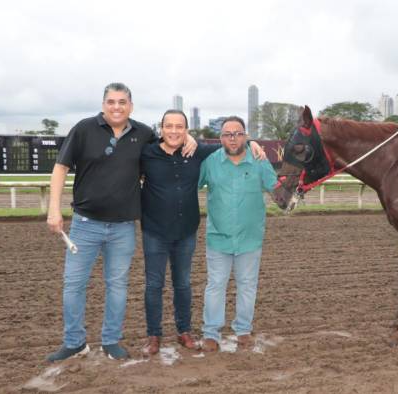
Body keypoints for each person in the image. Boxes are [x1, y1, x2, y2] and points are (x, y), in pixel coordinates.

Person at [45, 83, 197, 362]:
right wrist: (53, 210)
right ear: (104, 104)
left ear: (131, 106)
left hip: (123, 227)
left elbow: (169, 143)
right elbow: (60, 168)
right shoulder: (83, 129)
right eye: (112, 102)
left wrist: (191, 139)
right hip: (85, 223)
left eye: (122, 102)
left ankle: (111, 341)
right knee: (73, 285)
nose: (117, 107)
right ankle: (74, 342)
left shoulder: (144, 134)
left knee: (117, 286)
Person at [139, 110, 266, 356]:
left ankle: (184, 331)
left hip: (186, 231)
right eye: (169, 126)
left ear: (187, 130)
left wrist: (253, 143)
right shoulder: (147, 154)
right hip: (154, 231)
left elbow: (232, 142)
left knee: (183, 284)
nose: (174, 131)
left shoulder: (198, 151)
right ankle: (153, 335)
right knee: (154, 285)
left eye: (179, 127)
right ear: (161, 129)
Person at [198, 116, 277, 352]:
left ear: (246, 135)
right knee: (215, 285)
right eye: (227, 134)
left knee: (247, 286)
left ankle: (243, 331)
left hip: (250, 239)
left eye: (238, 133)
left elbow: (276, 189)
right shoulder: (210, 162)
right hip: (218, 238)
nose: (233, 138)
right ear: (221, 138)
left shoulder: (260, 161)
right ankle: (211, 333)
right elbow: (188, 184)